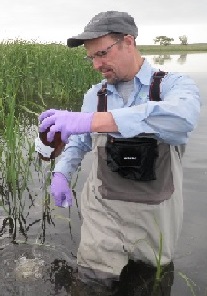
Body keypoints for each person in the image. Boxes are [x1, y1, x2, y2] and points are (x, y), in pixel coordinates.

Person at [38, 11, 201, 286]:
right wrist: (62, 173)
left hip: (155, 218)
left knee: (152, 281)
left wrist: (94, 120)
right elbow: (79, 141)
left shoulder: (173, 86)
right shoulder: (95, 95)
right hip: (103, 211)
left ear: (128, 41)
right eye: (91, 58)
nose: (96, 65)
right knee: (91, 281)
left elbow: (182, 120)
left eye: (102, 53)